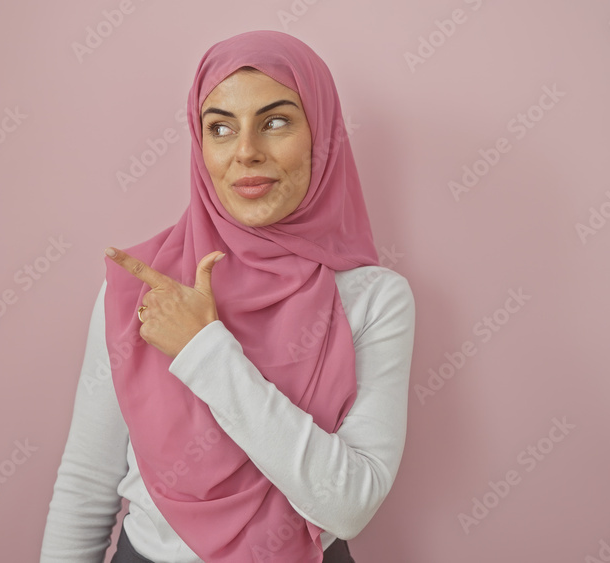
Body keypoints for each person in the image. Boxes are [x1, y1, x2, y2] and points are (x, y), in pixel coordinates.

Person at [40, 30, 415, 563]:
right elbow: (85, 486)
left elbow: (349, 505)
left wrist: (204, 351)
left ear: (322, 133)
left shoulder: (373, 298)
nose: (246, 152)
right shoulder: (147, 289)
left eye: (276, 122)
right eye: (220, 128)